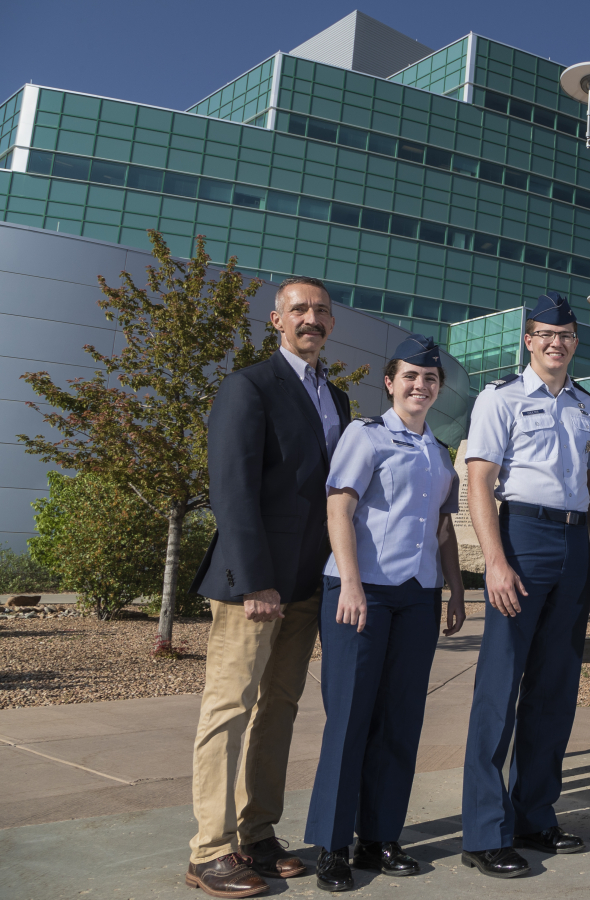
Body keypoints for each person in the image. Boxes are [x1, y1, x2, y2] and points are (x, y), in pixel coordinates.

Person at [187, 277, 350, 898]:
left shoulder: (335, 397)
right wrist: (256, 580)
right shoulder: (249, 386)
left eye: (321, 311)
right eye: (300, 310)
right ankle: (209, 850)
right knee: (227, 710)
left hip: (308, 583)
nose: (311, 319)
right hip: (251, 588)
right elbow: (231, 490)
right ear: (276, 319)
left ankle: (257, 833)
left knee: (278, 710)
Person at [303, 335, 466, 892]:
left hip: (418, 597)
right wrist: (349, 583)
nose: (421, 386)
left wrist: (455, 590)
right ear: (391, 383)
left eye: (430, 380)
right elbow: (339, 509)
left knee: (401, 721)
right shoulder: (365, 436)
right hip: (361, 593)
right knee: (349, 720)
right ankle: (332, 844)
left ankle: (380, 837)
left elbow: (443, 528)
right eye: (411, 377)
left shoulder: (441, 453)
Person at [459, 292, 590, 878]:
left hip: (573, 545)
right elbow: (480, 483)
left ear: (575, 341)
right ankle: (483, 831)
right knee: (500, 688)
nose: (555, 342)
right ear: (528, 340)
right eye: (544, 333)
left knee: (554, 689)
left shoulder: (584, 403)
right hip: (520, 537)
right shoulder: (499, 399)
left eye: (565, 334)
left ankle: (535, 816)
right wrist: (493, 561)